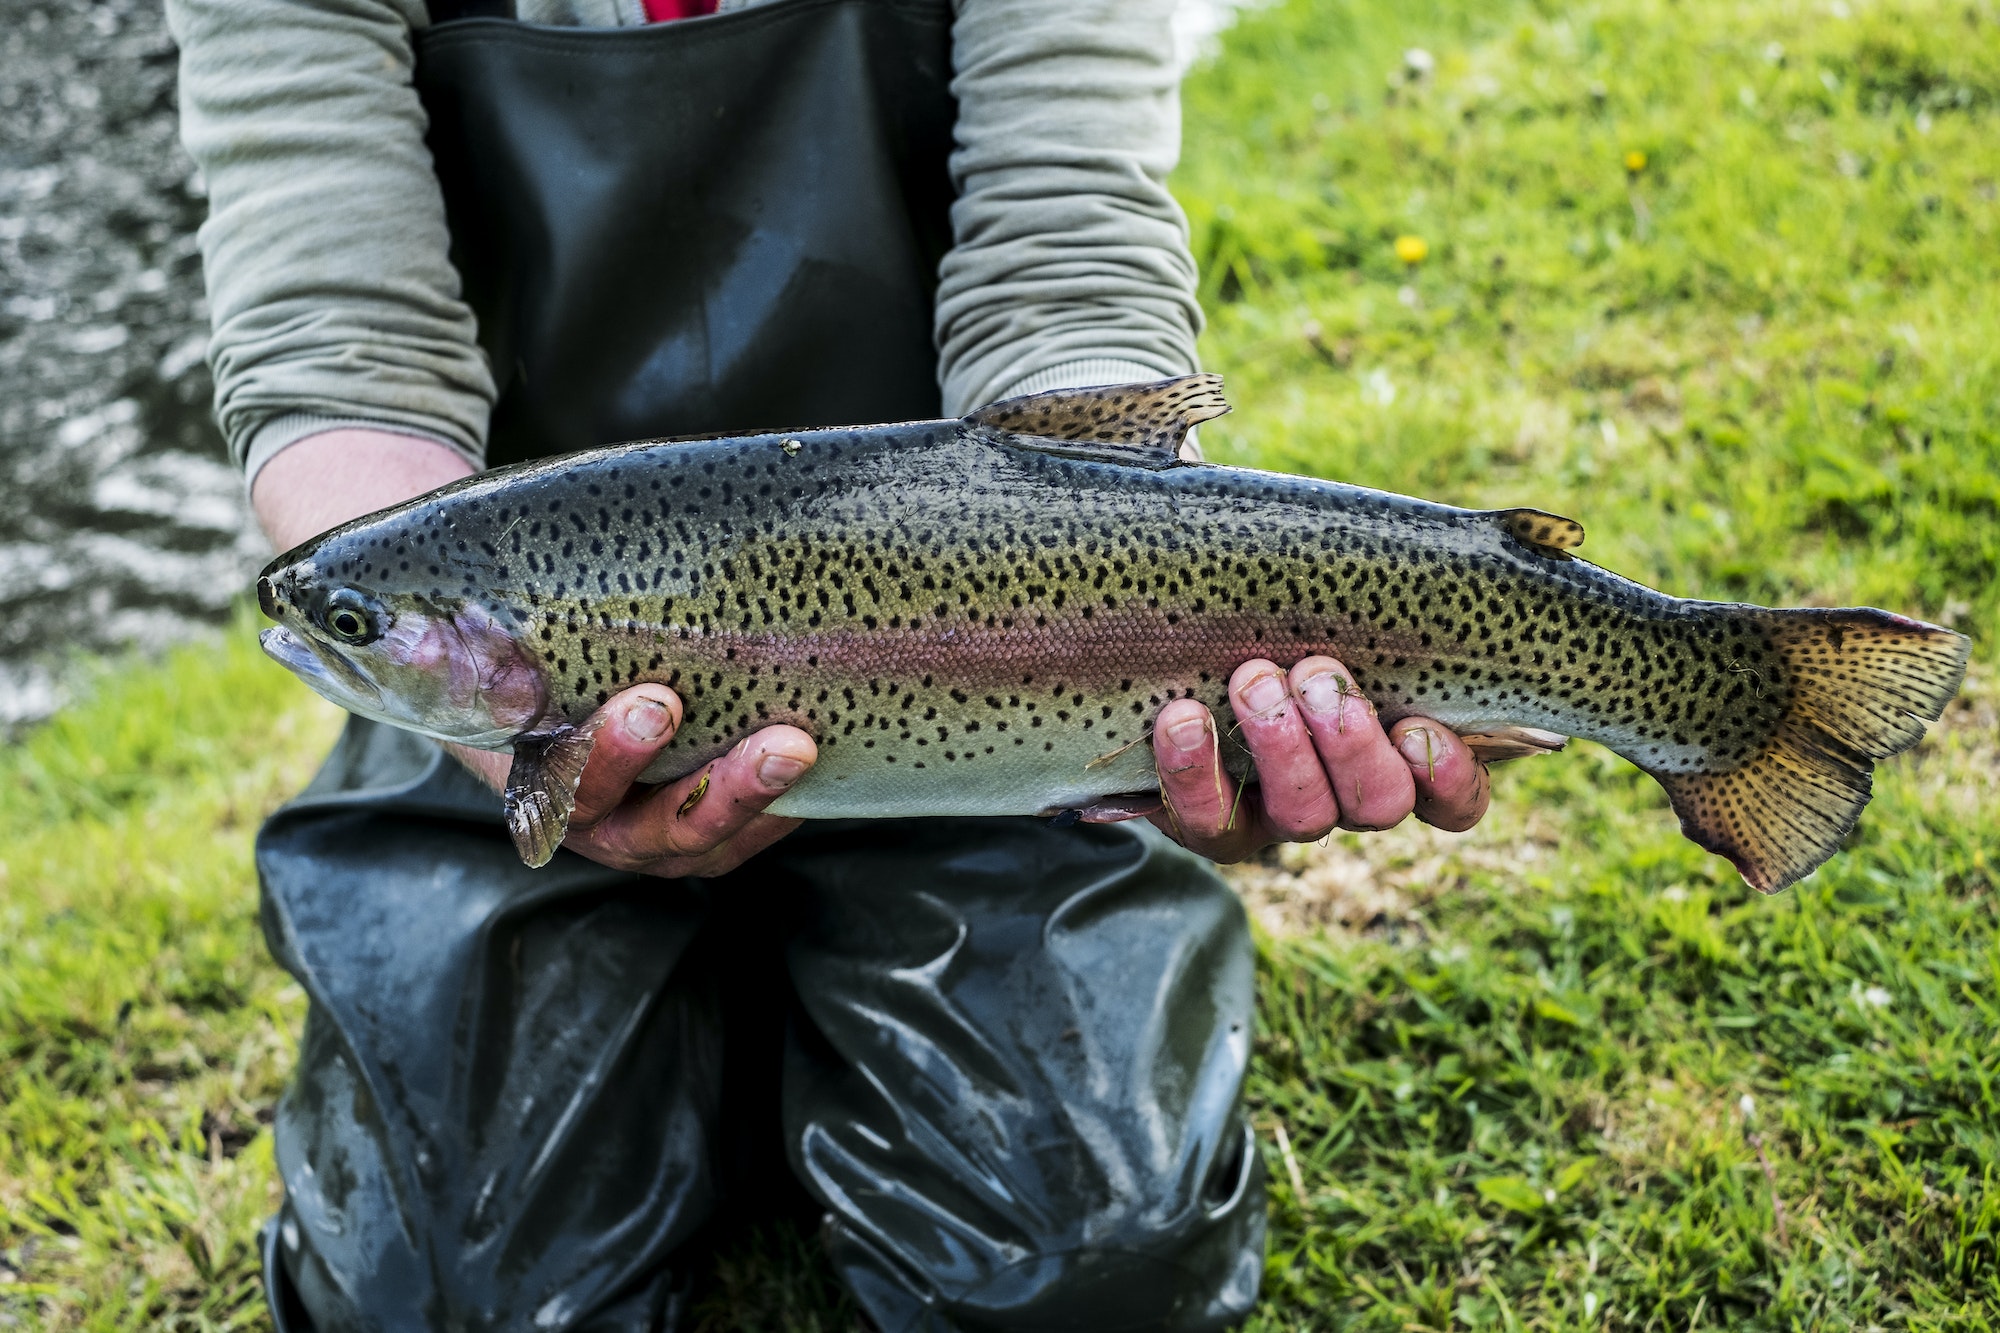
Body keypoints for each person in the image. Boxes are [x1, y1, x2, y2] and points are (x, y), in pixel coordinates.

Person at [168, 0, 1493, 1325]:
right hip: (524, 708)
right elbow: (340, 353)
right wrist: (488, 734)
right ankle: (753, 1020)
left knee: (1084, 1278)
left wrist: (1164, 635)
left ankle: (760, 1027)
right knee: (433, 1302)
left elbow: (1064, 266)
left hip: (984, 675)